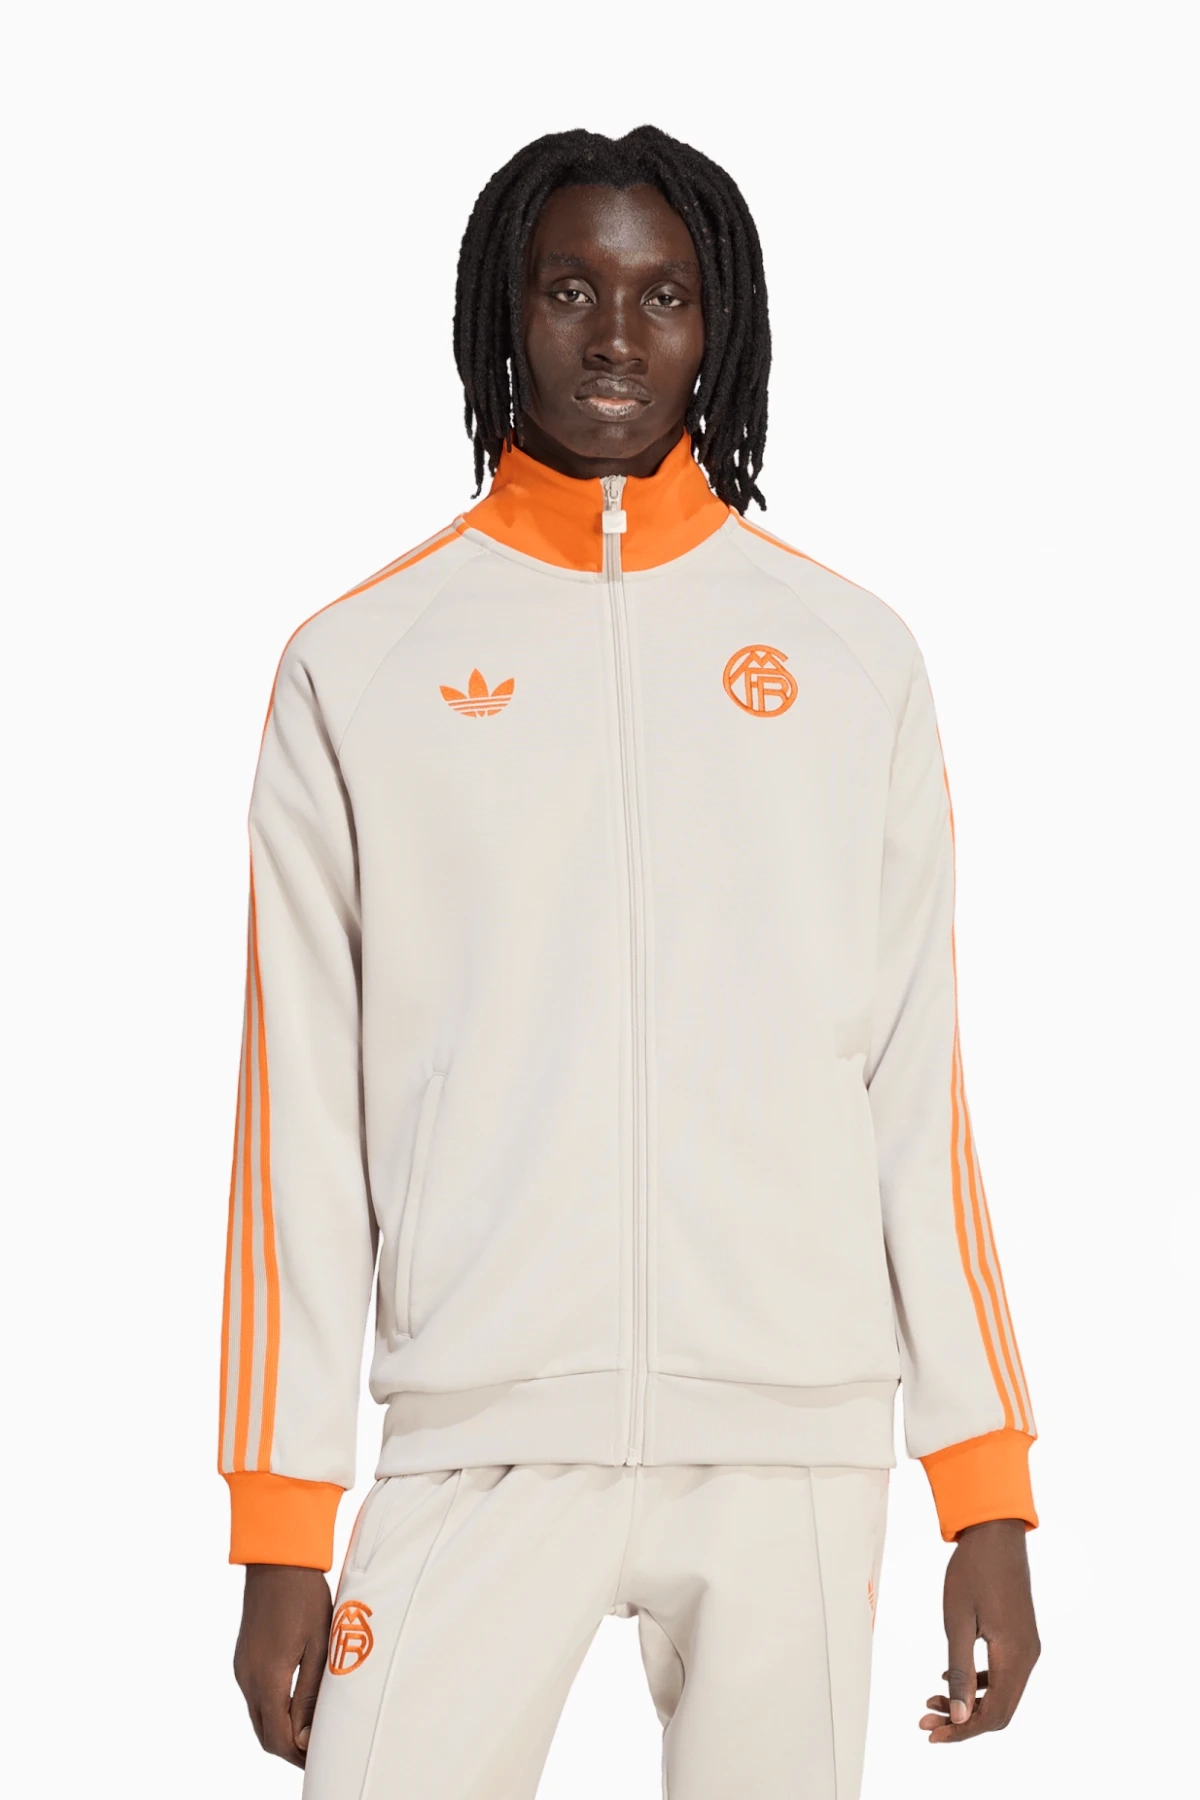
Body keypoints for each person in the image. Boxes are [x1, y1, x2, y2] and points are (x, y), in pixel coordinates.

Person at [219, 124, 1040, 1799]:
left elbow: (914, 1095)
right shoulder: (359, 665)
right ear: (500, 314)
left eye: (663, 294)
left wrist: (987, 1489)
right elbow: (297, 1122)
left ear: (718, 320)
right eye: (569, 289)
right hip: (480, 1426)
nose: (614, 335)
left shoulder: (852, 659)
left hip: (793, 1434)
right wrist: (283, 1522)